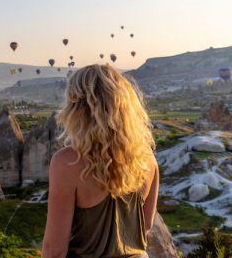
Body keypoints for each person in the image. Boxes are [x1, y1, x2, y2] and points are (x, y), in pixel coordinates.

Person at [42, 64, 159, 258]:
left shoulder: (67, 162)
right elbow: (144, 225)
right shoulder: (147, 158)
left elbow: (54, 250)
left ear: (77, 109)